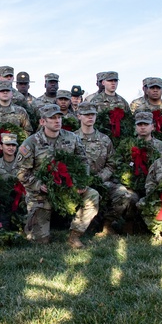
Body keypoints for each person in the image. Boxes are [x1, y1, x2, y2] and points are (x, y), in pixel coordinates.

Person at [16, 104, 100, 249]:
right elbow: (21, 171)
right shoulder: (31, 143)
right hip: (42, 192)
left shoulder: (72, 138)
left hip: (68, 187)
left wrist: (81, 182)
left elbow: (83, 161)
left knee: (92, 195)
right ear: (43, 121)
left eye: (59, 117)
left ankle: (75, 235)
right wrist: (38, 185)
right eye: (52, 118)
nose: (57, 121)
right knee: (39, 241)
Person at [76, 101, 137, 234]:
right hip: (79, 183)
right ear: (79, 116)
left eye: (92, 114)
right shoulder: (71, 138)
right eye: (86, 115)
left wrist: (99, 178)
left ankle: (107, 224)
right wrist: (81, 181)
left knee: (124, 194)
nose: (90, 117)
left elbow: (112, 163)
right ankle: (78, 226)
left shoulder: (104, 139)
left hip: (102, 181)